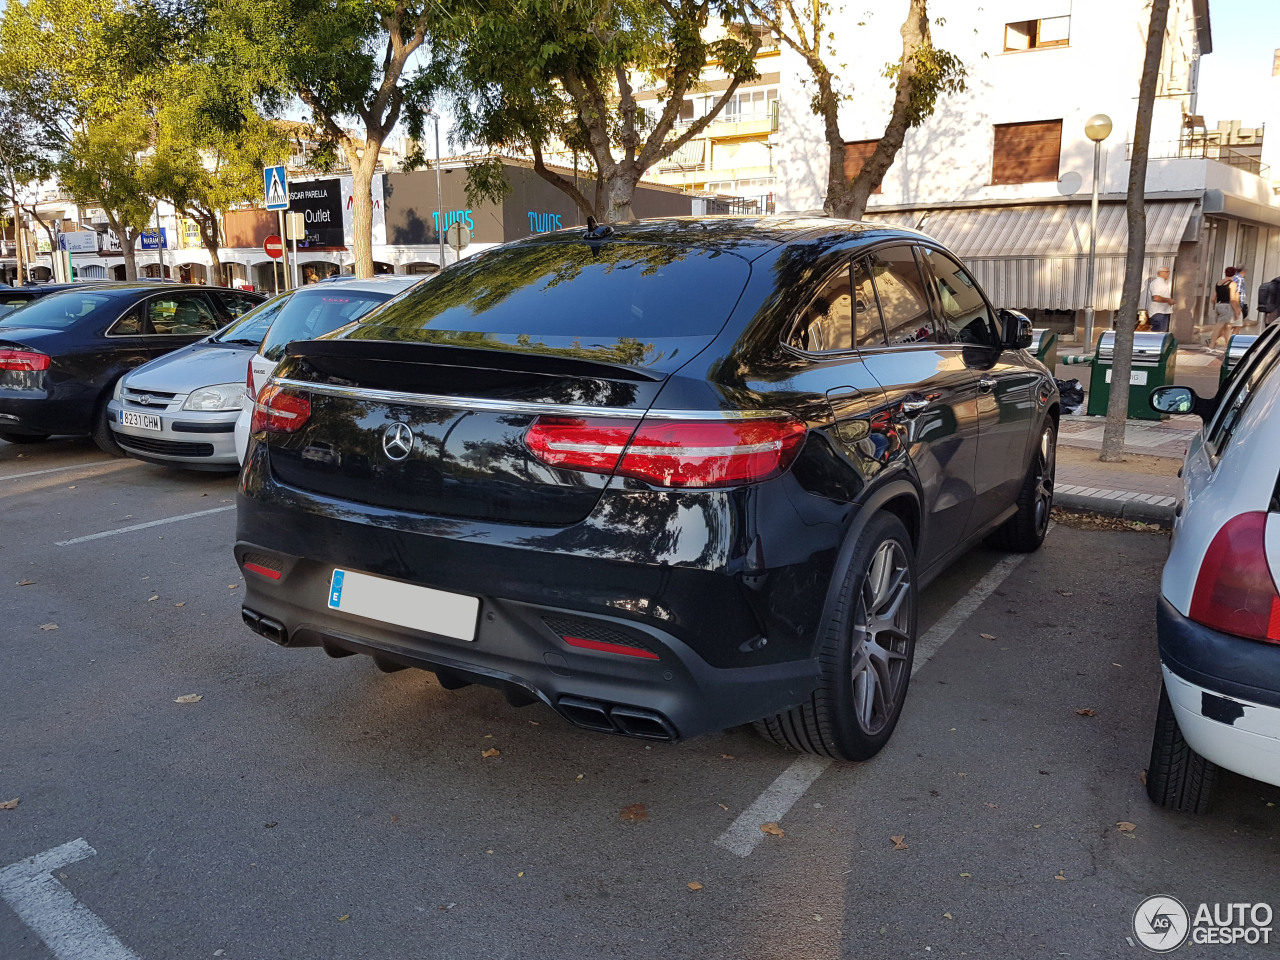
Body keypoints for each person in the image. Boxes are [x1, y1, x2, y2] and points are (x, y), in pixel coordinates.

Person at [1210, 265, 1241, 349]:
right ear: (1234, 274)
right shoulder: (1233, 284)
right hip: (1227, 306)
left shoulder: (1218, 283)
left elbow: (1213, 298)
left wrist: (1214, 306)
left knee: (1228, 327)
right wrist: (1236, 311)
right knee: (1219, 327)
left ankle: (1228, 346)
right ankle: (1211, 345)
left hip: (1218, 305)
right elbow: (1232, 299)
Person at [1143, 266, 1174, 332]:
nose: (1168, 274)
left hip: (1163, 310)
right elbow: (1156, 297)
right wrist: (1168, 300)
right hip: (1158, 311)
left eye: (1168, 272)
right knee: (1158, 330)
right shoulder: (1157, 283)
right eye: (1166, 272)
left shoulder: (1162, 283)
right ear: (1160, 273)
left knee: (1162, 330)